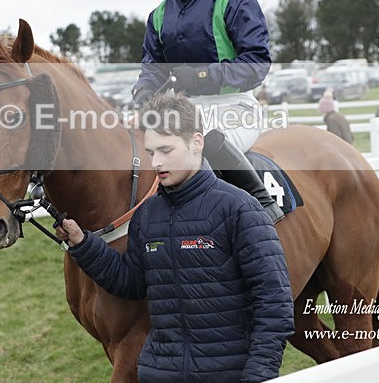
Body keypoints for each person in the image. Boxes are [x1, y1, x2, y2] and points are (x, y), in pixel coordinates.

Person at [57, 93, 294, 382]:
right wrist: (83, 244)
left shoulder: (240, 209)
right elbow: (130, 282)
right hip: (160, 374)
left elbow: (274, 304)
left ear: (196, 142)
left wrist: (259, 373)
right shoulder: (147, 214)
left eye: (166, 150)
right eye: (151, 152)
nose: (156, 162)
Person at [131, 0, 283, 223]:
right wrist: (144, 95)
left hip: (234, 109)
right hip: (182, 112)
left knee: (203, 142)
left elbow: (256, 64)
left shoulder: (235, 2)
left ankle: (263, 208)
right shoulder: (158, 15)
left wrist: (201, 76)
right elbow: (151, 70)